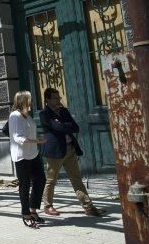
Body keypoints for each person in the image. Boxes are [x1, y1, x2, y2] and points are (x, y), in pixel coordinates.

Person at [40, 88, 105, 217]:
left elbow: (75, 127)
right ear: (47, 99)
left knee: (76, 179)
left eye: (59, 97)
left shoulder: (63, 111)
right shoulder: (44, 114)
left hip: (70, 149)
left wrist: (62, 125)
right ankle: (48, 206)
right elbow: (56, 127)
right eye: (55, 98)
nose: (58, 100)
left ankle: (88, 207)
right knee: (51, 180)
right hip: (55, 152)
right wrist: (64, 125)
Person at [9, 91, 47, 228]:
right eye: (29, 100)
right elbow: (18, 137)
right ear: (22, 101)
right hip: (21, 156)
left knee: (40, 180)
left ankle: (33, 209)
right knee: (24, 184)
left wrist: (37, 141)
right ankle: (25, 213)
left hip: (33, 153)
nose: (31, 103)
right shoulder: (15, 116)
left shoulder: (27, 116)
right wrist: (37, 141)